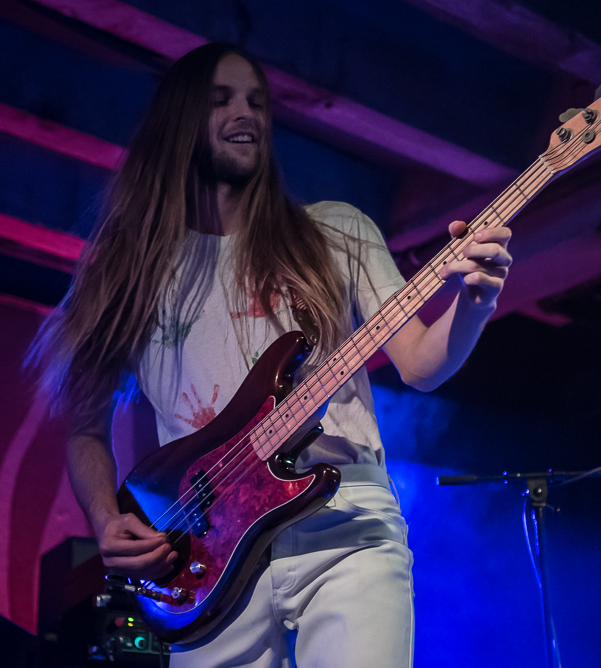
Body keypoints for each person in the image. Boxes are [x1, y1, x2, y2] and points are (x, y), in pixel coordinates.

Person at [31, 43, 512, 667]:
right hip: (203, 558)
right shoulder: (129, 272)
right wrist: (103, 519)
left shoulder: (336, 231)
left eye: (257, 101)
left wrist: (474, 301)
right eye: (222, 99)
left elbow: (420, 364)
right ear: (178, 121)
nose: (247, 113)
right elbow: (85, 426)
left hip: (345, 528)